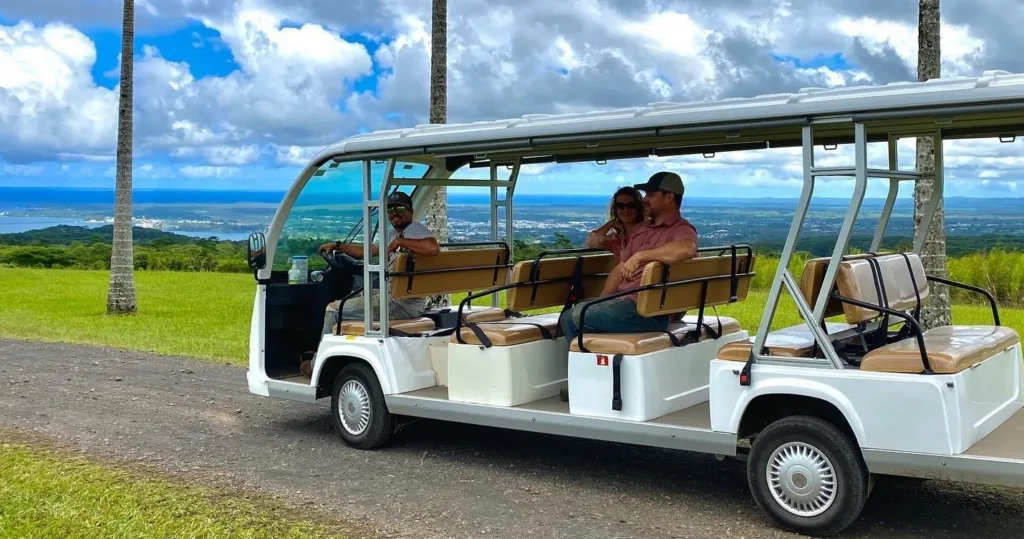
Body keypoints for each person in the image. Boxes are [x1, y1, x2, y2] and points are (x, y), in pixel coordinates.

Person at [560, 171, 698, 342]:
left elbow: (687, 248)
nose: (645, 199)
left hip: (648, 311)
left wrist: (641, 256)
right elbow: (621, 267)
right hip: (629, 304)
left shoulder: (680, 229)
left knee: (570, 318)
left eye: (651, 194)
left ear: (668, 197)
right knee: (581, 312)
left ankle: (582, 367)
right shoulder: (642, 229)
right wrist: (601, 300)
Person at [316, 190, 440, 336]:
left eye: (400, 208)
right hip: (398, 298)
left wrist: (400, 241)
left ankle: (318, 358)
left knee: (334, 308)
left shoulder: (414, 229)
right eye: (390, 209)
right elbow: (367, 250)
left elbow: (433, 248)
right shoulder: (393, 234)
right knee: (358, 294)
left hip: (400, 303)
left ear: (410, 211)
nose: (394, 213)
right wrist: (338, 246)